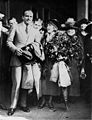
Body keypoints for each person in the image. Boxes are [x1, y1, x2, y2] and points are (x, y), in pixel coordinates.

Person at [7, 9, 44, 116]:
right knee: (17, 83)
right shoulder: (16, 27)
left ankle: (23, 104)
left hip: (28, 59)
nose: (28, 18)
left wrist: (33, 47)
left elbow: (38, 43)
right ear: (22, 17)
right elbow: (9, 42)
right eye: (26, 16)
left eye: (31, 17)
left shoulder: (35, 30)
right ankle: (12, 106)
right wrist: (15, 49)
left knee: (25, 83)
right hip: (17, 58)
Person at [38, 19, 60, 110]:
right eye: (48, 26)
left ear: (55, 28)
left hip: (53, 61)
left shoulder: (57, 37)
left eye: (51, 26)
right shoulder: (43, 36)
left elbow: (59, 49)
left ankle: (50, 100)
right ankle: (43, 100)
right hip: (44, 60)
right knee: (43, 79)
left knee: (51, 80)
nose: (48, 27)